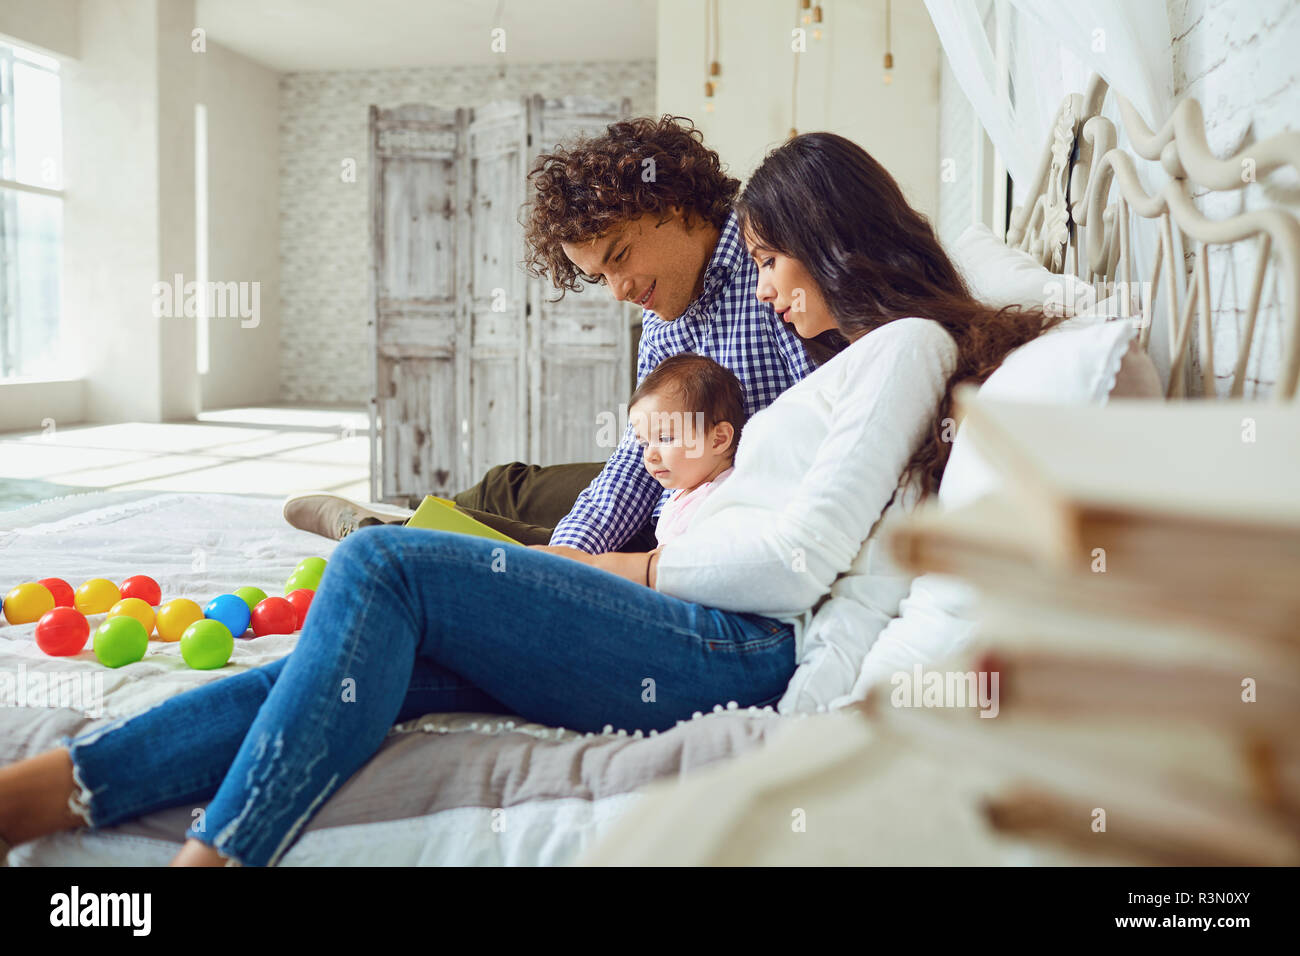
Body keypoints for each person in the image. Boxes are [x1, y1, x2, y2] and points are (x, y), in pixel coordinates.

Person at [0, 131, 1055, 867]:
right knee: (392, 647)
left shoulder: (900, 346)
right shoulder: (867, 353)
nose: (767, 278)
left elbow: (791, 565)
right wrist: (567, 566)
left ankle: (217, 853)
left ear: (832, 242)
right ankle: (46, 792)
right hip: (703, 599)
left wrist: (599, 570)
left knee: (385, 564)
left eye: (774, 254)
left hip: (733, 634)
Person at [283, 115, 817, 550]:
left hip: (719, 506)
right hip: (674, 479)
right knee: (504, 486)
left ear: (673, 205)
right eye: (599, 277)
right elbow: (635, 460)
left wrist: (576, 556)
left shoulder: (771, 268)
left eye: (620, 257)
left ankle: (391, 539)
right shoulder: (660, 324)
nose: (618, 291)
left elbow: (820, 424)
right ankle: (408, 526)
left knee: (546, 542)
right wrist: (576, 546)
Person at [625, 353, 745, 546]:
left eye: (665, 438)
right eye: (644, 444)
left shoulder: (717, 503)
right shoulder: (687, 493)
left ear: (718, 439)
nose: (650, 455)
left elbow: (667, 567)